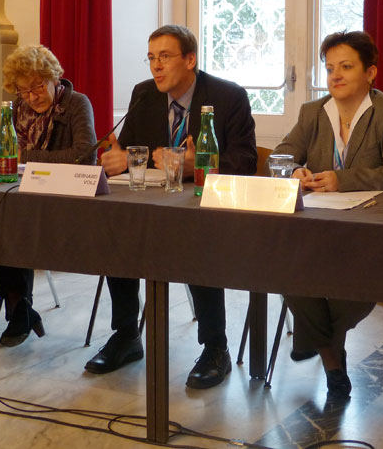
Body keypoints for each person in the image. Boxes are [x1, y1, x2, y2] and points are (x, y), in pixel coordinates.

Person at [89, 25, 257, 389]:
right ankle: (126, 335)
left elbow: (245, 162)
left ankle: (215, 347)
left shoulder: (228, 97)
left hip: (209, 210)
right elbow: (130, 151)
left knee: (196, 240)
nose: (156, 67)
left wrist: (197, 165)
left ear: (190, 59)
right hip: (153, 205)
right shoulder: (144, 95)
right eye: (151, 58)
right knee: (119, 230)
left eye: (164, 57)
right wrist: (119, 159)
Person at [271, 31, 383, 398]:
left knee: (349, 289)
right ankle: (332, 358)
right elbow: (281, 155)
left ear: (371, 73)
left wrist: (343, 180)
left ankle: (316, 340)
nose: (334, 75)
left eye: (346, 67)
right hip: (315, 228)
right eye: (329, 67)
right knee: (287, 270)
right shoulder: (312, 112)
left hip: (367, 231)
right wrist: (294, 172)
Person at [0, 44, 97, 346]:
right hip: (24, 199)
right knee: (3, 217)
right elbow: (4, 151)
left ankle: (18, 310)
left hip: (65, 201)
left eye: (38, 87)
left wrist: (25, 156)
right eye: (23, 91)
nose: (31, 97)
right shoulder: (17, 108)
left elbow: (85, 156)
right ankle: (20, 309)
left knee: (14, 222)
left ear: (54, 77)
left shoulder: (77, 103)